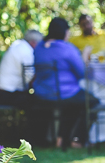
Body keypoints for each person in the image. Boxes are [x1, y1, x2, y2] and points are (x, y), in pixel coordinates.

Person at [33, 17, 98, 148]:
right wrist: (85, 56)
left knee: (73, 104)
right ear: (64, 32)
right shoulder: (67, 48)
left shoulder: (39, 47)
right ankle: (77, 140)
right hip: (64, 94)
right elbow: (82, 73)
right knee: (92, 102)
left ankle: (61, 139)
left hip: (41, 94)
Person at [0, 29, 43, 107]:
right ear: (33, 42)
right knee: (40, 102)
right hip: (9, 95)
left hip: (0, 93)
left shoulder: (18, 45)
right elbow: (30, 79)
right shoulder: (27, 51)